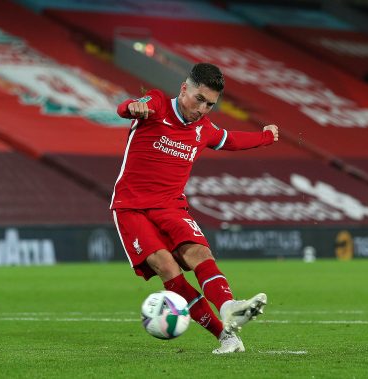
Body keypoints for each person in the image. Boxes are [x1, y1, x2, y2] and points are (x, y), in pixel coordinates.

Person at [111, 63, 279, 354]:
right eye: (199, 99)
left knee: (200, 253)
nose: (202, 109)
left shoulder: (204, 129)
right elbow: (126, 108)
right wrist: (134, 107)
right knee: (167, 266)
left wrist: (266, 136)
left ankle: (229, 308)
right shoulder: (157, 105)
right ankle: (223, 337)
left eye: (210, 104)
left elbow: (232, 140)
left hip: (171, 206)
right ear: (184, 88)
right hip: (132, 207)